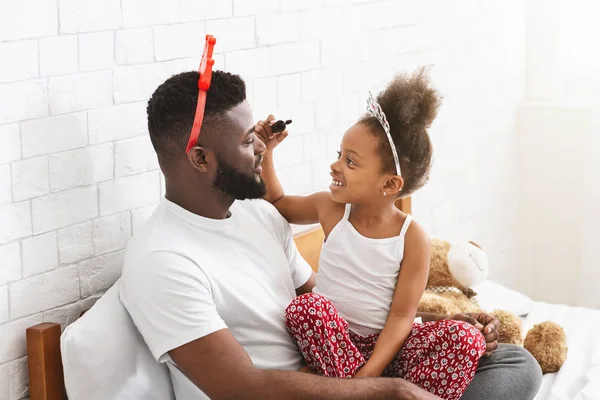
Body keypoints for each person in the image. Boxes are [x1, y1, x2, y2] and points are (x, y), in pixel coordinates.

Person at [119, 69, 543, 400]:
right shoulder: (163, 261)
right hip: (308, 390)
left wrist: (434, 321)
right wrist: (387, 390)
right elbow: (241, 391)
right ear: (200, 158)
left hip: (348, 362)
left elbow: (341, 300)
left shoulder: (256, 216)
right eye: (250, 141)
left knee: (513, 361)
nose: (263, 148)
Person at [256, 69, 486, 399]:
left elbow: (402, 315)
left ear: (389, 184)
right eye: (339, 155)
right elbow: (277, 202)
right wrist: (266, 154)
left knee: (466, 338)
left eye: (351, 162)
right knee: (305, 309)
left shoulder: (412, 237)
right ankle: (363, 393)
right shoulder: (330, 208)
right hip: (337, 344)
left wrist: (371, 373)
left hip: (389, 347)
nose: (335, 166)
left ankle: (370, 391)